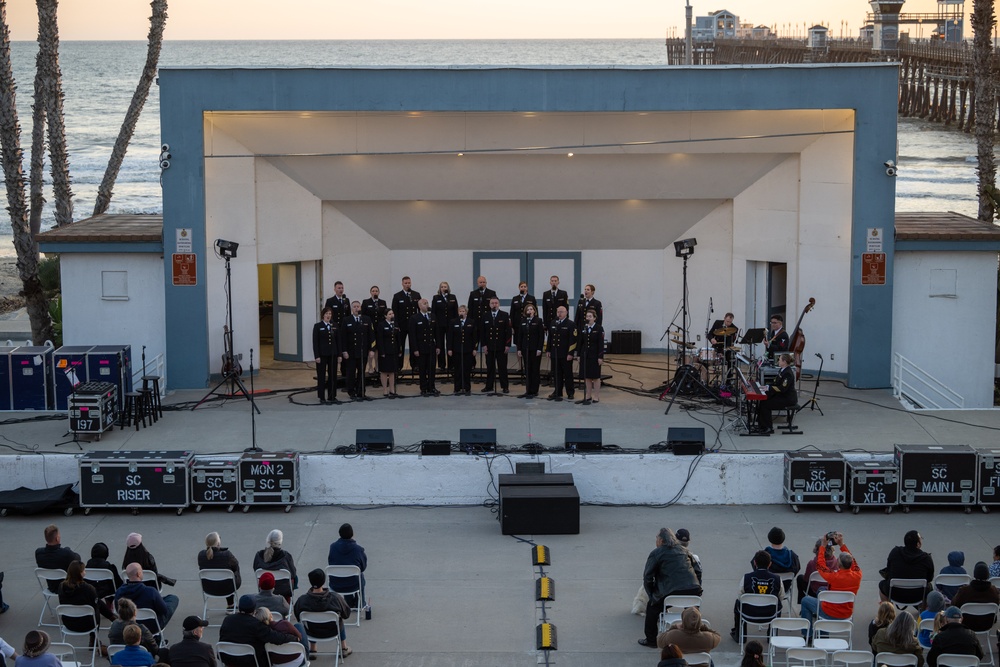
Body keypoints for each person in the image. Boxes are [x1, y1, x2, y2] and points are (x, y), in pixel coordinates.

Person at [638, 528, 703, 648]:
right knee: (692, 611)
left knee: (652, 609)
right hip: (692, 592)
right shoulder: (684, 550)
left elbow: (647, 577)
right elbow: (698, 570)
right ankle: (694, 636)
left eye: (656, 538)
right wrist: (698, 588)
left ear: (661, 540)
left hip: (669, 593)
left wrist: (652, 595)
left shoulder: (656, 553)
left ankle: (651, 640)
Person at [799, 532, 861, 639]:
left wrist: (822, 546)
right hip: (846, 613)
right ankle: (823, 632)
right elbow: (853, 561)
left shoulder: (833, 576)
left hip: (830, 612)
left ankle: (808, 634)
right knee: (822, 590)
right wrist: (842, 545)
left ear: (838, 564)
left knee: (805, 600)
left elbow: (820, 565)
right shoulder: (858, 574)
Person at [219, 595, 299, 667]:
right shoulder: (256, 624)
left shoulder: (227, 620)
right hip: (249, 661)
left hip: (227, 657)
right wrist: (294, 638)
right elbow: (276, 638)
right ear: (254, 609)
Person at [292, 569, 352, 658]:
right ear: (323, 581)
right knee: (339, 618)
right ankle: (343, 648)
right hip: (333, 631)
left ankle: (313, 649)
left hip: (312, 632)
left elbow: (298, 617)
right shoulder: (335, 598)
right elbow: (346, 614)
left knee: (309, 621)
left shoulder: (302, 600)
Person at [58, 561, 111, 656]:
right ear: (80, 573)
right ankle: (94, 638)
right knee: (96, 606)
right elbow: (96, 607)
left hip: (69, 623)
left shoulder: (61, 587)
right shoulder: (88, 588)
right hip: (88, 625)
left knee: (97, 602)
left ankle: (112, 618)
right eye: (84, 570)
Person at [730, 550, 781, 642]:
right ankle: (772, 636)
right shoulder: (777, 578)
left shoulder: (746, 577)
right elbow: (781, 596)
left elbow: (740, 595)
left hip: (749, 613)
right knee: (778, 604)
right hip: (770, 614)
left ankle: (740, 636)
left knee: (738, 603)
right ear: (770, 564)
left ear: (755, 563)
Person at [113, 563, 179, 630]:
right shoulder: (151, 591)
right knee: (173, 599)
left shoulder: (119, 592)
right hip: (153, 627)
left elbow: (118, 611)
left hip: (129, 627)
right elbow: (164, 611)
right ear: (138, 574)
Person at [879, 529, 934, 602]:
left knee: (881, 584)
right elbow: (929, 578)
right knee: (929, 587)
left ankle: (888, 610)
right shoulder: (926, 558)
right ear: (918, 544)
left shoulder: (895, 552)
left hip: (895, 593)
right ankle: (923, 610)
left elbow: (889, 570)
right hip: (918, 594)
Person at [340, 301, 375, 400]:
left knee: (361, 373)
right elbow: (343, 337)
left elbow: (371, 335)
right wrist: (344, 351)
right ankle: (351, 392)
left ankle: (361, 392)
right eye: (354, 307)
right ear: (351, 309)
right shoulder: (347, 320)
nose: (356, 308)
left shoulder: (366, 319)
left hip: (362, 351)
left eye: (358, 306)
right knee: (351, 373)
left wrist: (372, 349)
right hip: (351, 352)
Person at [327, 523, 367, 607]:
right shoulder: (358, 549)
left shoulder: (333, 547)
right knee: (359, 575)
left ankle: (349, 603)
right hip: (354, 584)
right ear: (352, 534)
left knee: (344, 573)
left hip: (336, 583)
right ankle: (360, 603)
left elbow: (330, 562)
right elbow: (363, 567)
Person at [197, 531, 242, 606]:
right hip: (227, 587)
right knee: (232, 572)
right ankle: (231, 605)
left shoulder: (201, 555)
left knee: (227, 573)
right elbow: (235, 566)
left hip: (208, 587)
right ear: (218, 543)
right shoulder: (227, 554)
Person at [253, 529, 297, 603]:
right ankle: (288, 601)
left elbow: (255, 569)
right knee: (295, 577)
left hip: (265, 586)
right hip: (284, 589)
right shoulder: (285, 556)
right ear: (280, 542)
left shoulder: (259, 555)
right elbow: (293, 573)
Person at [756, 353, 797, 434]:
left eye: (780, 359)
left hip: (787, 398)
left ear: (784, 362)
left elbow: (783, 388)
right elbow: (775, 383)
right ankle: (762, 425)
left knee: (766, 404)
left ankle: (768, 428)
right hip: (782, 396)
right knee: (763, 400)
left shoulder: (788, 373)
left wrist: (769, 388)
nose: (778, 361)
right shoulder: (782, 370)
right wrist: (767, 387)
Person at [480, 297, 511, 394]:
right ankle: (489, 386)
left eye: (496, 303)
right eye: (492, 303)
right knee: (490, 367)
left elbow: (508, 332)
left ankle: (505, 386)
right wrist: (484, 345)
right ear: (489, 305)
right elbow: (482, 332)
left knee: (502, 368)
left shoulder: (504, 315)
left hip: (501, 346)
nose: (494, 305)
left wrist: (508, 344)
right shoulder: (485, 316)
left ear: (499, 304)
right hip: (489, 347)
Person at [35, 525, 81, 591]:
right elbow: (78, 559)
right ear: (57, 538)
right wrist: (68, 550)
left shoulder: (38, 553)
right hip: (67, 588)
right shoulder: (66, 553)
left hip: (51, 587)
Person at [409, 298, 439, 396]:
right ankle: (424, 388)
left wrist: (438, 346)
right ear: (420, 306)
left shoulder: (432, 316)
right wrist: (415, 349)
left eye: (427, 303)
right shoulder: (415, 318)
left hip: (431, 346)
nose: (427, 305)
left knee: (431, 368)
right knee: (422, 368)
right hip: (421, 347)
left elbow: (436, 333)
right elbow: (412, 336)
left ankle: (432, 387)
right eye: (424, 303)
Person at [546, 305, 577, 401]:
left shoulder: (571, 324)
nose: (559, 313)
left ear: (566, 312)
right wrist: (548, 350)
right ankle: (557, 391)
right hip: (555, 353)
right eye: (558, 312)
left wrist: (570, 353)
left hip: (565, 354)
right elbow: (550, 338)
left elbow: (573, 340)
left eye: (561, 312)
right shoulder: (553, 323)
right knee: (556, 373)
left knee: (568, 374)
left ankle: (570, 392)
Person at [391, 276, 421, 370]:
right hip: (401, 325)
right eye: (406, 283)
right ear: (402, 284)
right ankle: (399, 366)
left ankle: (415, 365)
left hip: (413, 325)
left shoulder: (416, 295)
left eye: (409, 283)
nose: (408, 284)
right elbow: (394, 312)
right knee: (400, 346)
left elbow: (420, 310)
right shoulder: (397, 296)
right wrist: (396, 325)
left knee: (414, 345)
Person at [312, 307, 340, 405]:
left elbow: (338, 341)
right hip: (322, 355)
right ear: (323, 315)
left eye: (330, 314)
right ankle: (322, 396)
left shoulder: (334, 326)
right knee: (321, 375)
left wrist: (339, 354)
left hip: (332, 354)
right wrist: (317, 356)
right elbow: (315, 342)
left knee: (333, 375)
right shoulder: (318, 326)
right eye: (326, 314)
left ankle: (332, 396)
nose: (328, 315)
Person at [516, 303, 545, 398]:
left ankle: (534, 390)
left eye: (531, 309)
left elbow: (541, 336)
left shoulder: (538, 321)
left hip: (535, 349)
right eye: (528, 310)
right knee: (527, 369)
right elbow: (520, 336)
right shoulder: (523, 321)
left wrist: (539, 349)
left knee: (535, 369)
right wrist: (519, 348)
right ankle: (528, 390)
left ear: (534, 311)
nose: (529, 311)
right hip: (525, 348)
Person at [576, 308, 604, 405]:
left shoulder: (599, 328)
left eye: (590, 316)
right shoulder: (584, 328)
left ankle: (596, 395)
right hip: (585, 355)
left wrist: (600, 357)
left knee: (595, 377)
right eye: (587, 316)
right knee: (587, 376)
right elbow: (580, 342)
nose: (588, 318)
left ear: (595, 318)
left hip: (594, 355)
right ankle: (588, 395)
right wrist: (579, 354)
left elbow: (601, 344)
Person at [448, 305, 477, 395]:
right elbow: (450, 337)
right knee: (457, 369)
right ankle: (457, 387)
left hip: (468, 350)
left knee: (466, 369)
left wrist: (474, 348)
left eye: (463, 311)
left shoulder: (471, 322)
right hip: (456, 350)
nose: (461, 313)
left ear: (466, 312)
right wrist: (449, 348)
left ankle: (467, 387)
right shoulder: (453, 322)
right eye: (460, 311)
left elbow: (475, 337)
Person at [798, 537, 837, 603]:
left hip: (815, 591)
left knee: (800, 578)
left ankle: (802, 602)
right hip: (830, 591)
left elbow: (806, 579)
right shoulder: (837, 563)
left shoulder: (812, 563)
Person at [431, 282, 459, 371]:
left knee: (450, 343)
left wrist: (456, 323)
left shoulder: (452, 297)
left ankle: (452, 364)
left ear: (448, 288)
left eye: (445, 286)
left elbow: (456, 311)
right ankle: (441, 364)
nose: (444, 288)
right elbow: (433, 312)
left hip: (450, 324)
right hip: (439, 325)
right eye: (442, 287)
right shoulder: (436, 298)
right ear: (440, 288)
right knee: (440, 344)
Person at [763, 527, 800, 592]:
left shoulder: (764, 556)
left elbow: (758, 569)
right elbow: (797, 569)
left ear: (769, 538)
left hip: (768, 588)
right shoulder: (792, 556)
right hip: (785, 588)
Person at [374, 309, 401, 398]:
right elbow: (380, 339)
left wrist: (399, 350)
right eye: (389, 314)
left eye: (392, 313)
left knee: (392, 371)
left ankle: (392, 389)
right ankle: (385, 389)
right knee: (385, 371)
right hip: (385, 351)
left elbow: (398, 338)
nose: (391, 315)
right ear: (385, 316)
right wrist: (381, 351)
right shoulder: (382, 325)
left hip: (394, 350)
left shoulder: (395, 324)